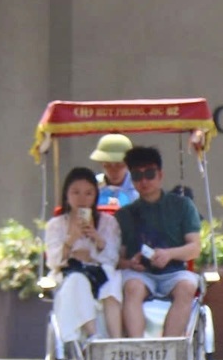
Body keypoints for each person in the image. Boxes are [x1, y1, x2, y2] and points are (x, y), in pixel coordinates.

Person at [114, 146, 202, 338]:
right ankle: (137, 348)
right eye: (137, 176)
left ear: (160, 174)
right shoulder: (124, 215)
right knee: (132, 287)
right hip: (140, 274)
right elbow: (117, 259)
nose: (144, 181)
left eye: (150, 174)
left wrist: (170, 254)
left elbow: (194, 247)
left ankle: (169, 347)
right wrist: (130, 263)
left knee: (187, 286)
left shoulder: (182, 205)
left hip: (174, 271)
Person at [43, 167, 122, 344]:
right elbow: (54, 260)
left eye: (88, 193)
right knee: (77, 281)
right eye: (75, 192)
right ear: (67, 195)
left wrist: (96, 238)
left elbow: (112, 257)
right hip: (70, 272)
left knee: (113, 279)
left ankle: (116, 340)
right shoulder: (56, 225)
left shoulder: (108, 222)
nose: (82, 199)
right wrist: (71, 240)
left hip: (99, 271)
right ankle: (93, 335)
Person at [88, 133, 138, 211]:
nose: (114, 171)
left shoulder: (139, 186)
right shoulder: (91, 186)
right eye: (107, 165)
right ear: (101, 163)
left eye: (119, 165)